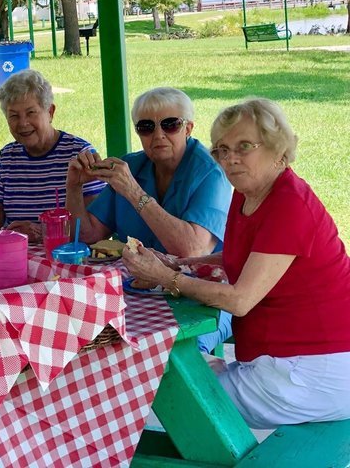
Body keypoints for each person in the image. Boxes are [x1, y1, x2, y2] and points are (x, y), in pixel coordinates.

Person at [123, 98, 350, 429]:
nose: (230, 159)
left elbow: (240, 300)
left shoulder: (289, 204)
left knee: (147, 404)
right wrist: (178, 264)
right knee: (166, 379)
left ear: (279, 149)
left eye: (244, 146)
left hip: (310, 375)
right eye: (221, 150)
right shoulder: (250, 193)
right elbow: (242, 259)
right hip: (283, 364)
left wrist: (166, 277)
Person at [68, 87, 232, 352]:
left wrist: (135, 193)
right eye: (146, 127)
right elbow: (87, 236)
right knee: (90, 340)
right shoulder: (131, 166)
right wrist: (73, 188)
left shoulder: (209, 173)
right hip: (139, 292)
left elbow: (191, 249)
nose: (158, 135)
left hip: (203, 296)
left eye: (170, 125)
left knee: (175, 354)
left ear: (188, 128)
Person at [0, 69, 105, 242]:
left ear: (50, 112)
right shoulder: (6, 158)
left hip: (65, 260)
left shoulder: (80, 155)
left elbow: (91, 231)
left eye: (31, 113)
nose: (23, 123)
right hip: (14, 258)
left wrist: (46, 231)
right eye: (14, 116)